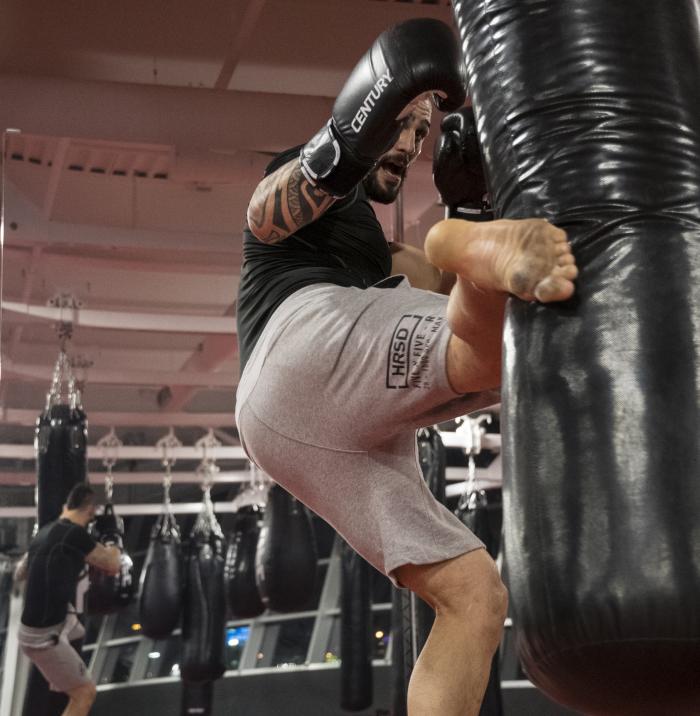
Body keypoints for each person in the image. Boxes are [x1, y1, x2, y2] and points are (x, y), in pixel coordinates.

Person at [235, 18, 578, 716]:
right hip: (296, 344)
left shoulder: (374, 253)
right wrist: (343, 144)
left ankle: (463, 231)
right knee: (475, 340)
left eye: (423, 134)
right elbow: (262, 215)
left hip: (294, 429)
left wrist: (473, 209)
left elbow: (440, 300)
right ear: (371, 107)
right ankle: (461, 237)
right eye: (402, 121)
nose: (413, 142)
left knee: (474, 595)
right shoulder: (311, 179)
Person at [14, 483, 121, 716]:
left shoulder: (45, 533)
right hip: (44, 638)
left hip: (36, 628)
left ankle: (62, 677)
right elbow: (113, 565)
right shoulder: (73, 534)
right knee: (85, 692)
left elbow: (20, 573)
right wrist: (112, 536)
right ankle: (66, 678)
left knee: (78, 630)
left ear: (67, 505)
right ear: (90, 511)